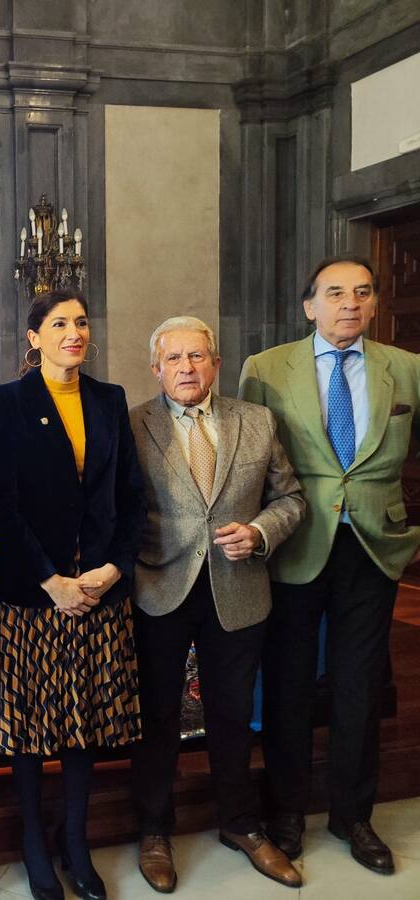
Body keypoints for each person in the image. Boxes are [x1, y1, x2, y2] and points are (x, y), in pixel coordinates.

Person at [239, 255, 420, 875]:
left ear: (374, 304)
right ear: (309, 306)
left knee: (359, 685)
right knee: (288, 683)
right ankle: (286, 811)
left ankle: (353, 815)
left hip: (373, 545)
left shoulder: (406, 368)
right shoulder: (267, 369)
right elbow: (249, 462)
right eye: (336, 293)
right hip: (295, 541)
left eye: (363, 293)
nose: (351, 303)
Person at [129, 316, 305, 892]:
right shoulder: (132, 425)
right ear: (156, 369)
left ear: (217, 363)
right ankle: (154, 830)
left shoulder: (256, 421)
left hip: (238, 590)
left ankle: (241, 823)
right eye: (174, 359)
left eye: (197, 356)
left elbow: (291, 498)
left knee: (232, 714)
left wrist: (259, 532)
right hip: (161, 588)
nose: (186, 368)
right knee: (157, 717)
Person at [0, 288, 145, 900]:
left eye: (80, 322)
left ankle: (76, 841)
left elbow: (131, 496)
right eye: (58, 324)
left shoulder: (109, 399)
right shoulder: (7, 401)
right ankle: (33, 844)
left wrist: (114, 568)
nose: (73, 333)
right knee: (29, 728)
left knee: (86, 722)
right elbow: (0, 502)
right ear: (34, 337)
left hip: (98, 590)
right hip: (34, 592)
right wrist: (51, 580)